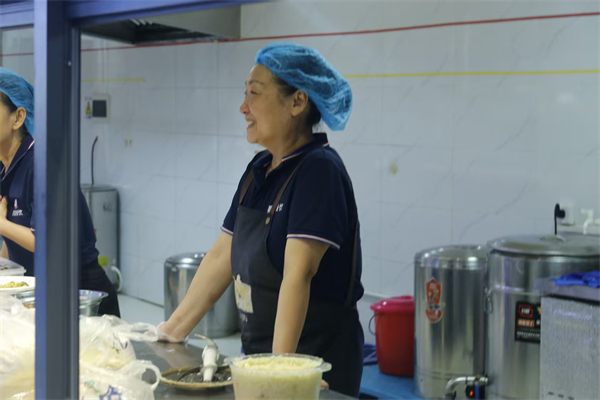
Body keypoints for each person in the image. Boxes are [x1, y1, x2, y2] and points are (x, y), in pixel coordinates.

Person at [158, 43, 364, 397]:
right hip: (260, 357)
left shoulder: (319, 171)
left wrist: (282, 370)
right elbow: (221, 257)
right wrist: (171, 331)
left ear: (297, 102)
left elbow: (299, 275)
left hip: (313, 360)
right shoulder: (259, 170)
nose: (243, 107)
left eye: (254, 94)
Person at [0, 67, 120, 317]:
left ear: (18, 118)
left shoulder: (43, 165)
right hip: (38, 290)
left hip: (80, 294)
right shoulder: (5, 166)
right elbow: (13, 235)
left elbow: (47, 241)